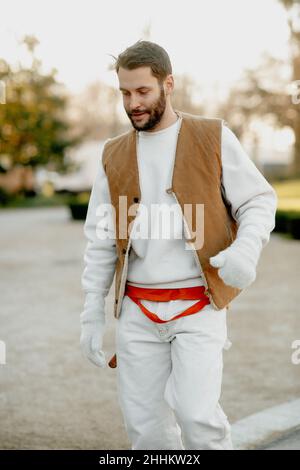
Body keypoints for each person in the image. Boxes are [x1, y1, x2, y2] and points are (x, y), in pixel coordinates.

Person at [80, 40, 277, 450]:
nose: (133, 103)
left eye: (143, 91)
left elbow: (259, 199)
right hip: (137, 310)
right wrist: (91, 313)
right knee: (146, 430)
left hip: (198, 306)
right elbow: (100, 238)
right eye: (125, 93)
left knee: (198, 419)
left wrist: (246, 249)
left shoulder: (212, 135)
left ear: (168, 84)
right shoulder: (112, 154)